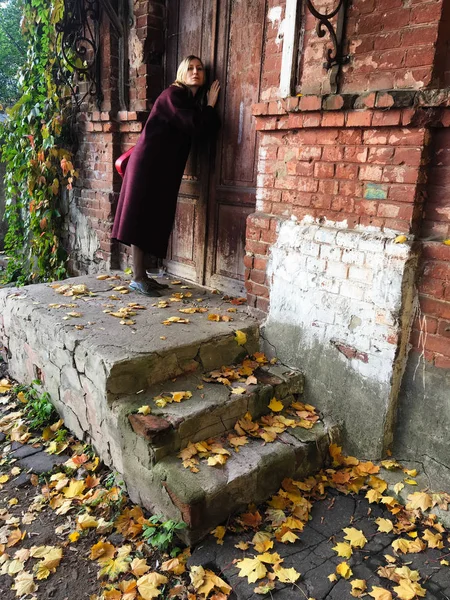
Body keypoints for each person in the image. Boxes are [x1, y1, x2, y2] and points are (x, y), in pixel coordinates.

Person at [111, 55, 220, 297]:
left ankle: (144, 276)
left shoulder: (188, 101)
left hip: (157, 167)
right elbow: (197, 127)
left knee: (151, 217)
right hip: (148, 166)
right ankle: (137, 278)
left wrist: (205, 107)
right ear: (181, 73)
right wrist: (211, 106)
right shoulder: (174, 95)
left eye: (200, 69)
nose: (195, 72)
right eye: (189, 68)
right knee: (141, 218)